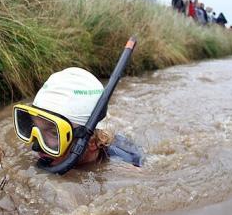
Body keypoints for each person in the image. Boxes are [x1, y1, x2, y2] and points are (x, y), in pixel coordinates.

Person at [13, 68, 144, 169]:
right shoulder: (48, 152)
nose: (36, 147)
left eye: (54, 133)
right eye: (34, 128)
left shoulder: (124, 167)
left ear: (92, 142)